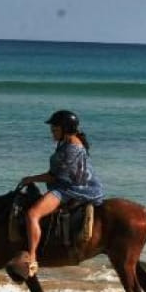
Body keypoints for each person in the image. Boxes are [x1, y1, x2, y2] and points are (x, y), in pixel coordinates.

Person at [19, 110, 105, 277]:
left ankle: (32, 257)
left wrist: (30, 179)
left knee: (32, 214)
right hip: (68, 184)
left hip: (70, 189)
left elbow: (54, 176)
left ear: (66, 129)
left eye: (55, 129)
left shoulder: (72, 148)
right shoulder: (68, 142)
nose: (52, 133)